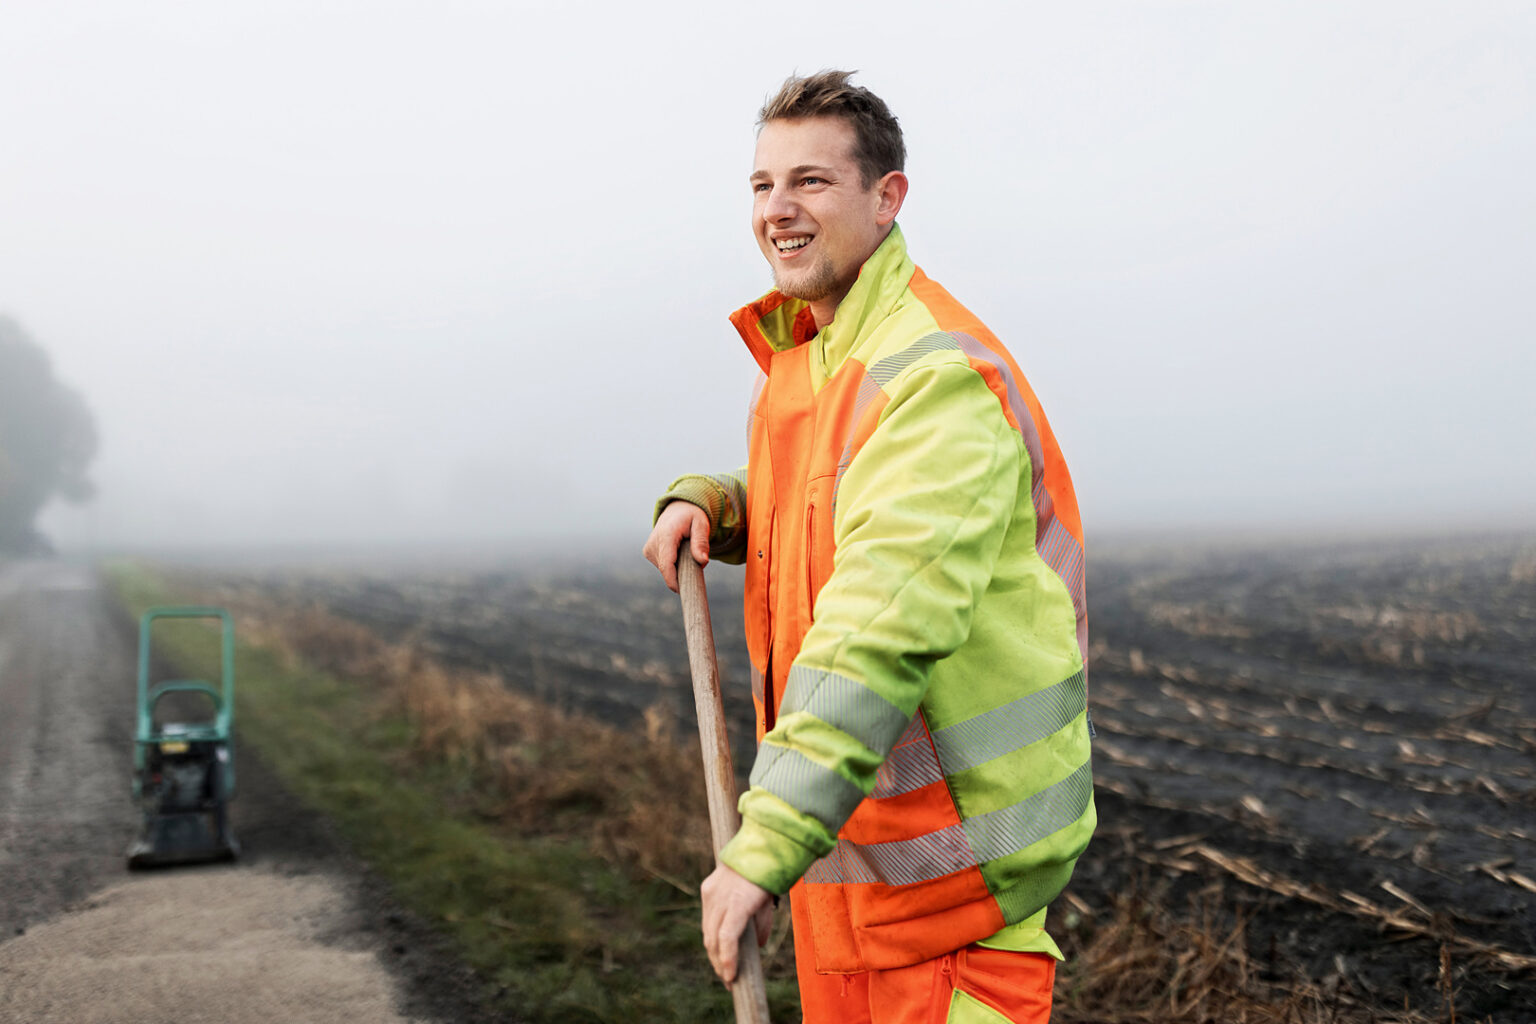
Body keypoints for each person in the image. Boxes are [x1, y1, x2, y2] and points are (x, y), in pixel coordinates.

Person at [642, 70, 1095, 1024]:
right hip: (854, 891)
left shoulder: (933, 378)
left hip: (949, 907)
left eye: (810, 181)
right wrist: (719, 507)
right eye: (762, 185)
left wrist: (760, 849)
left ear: (887, 197)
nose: (778, 210)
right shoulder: (822, 355)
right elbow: (829, 499)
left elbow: (877, 629)